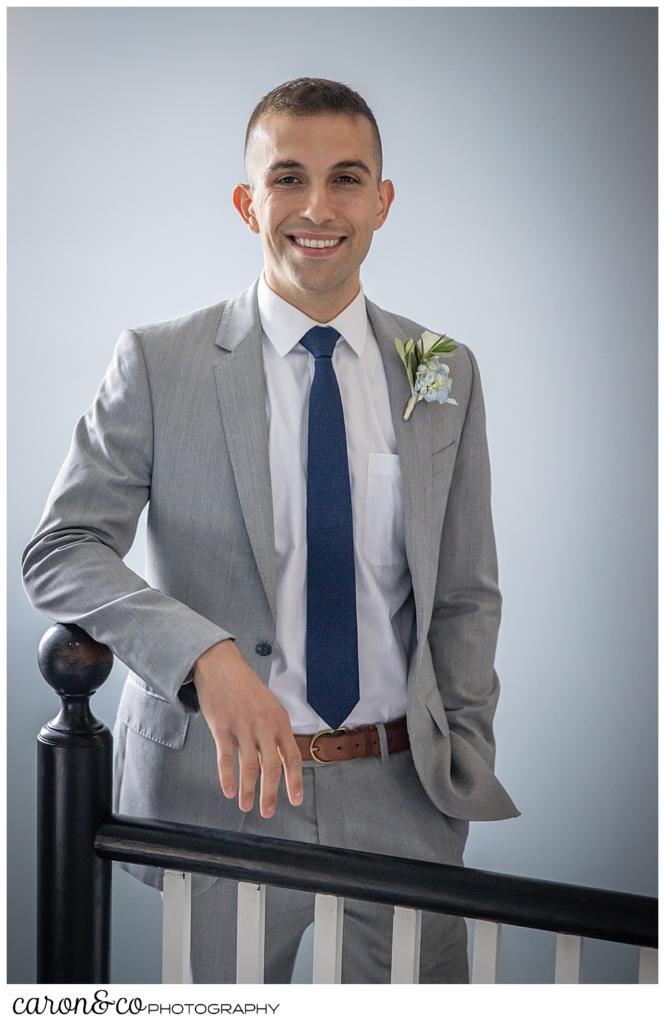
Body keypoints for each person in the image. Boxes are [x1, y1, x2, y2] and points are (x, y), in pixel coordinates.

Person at [21, 77, 520, 984]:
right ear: (249, 201)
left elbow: (463, 590)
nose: (317, 207)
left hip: (402, 788)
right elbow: (60, 550)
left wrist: (459, 757)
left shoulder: (437, 368)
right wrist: (204, 659)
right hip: (224, 789)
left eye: (345, 178)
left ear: (382, 200)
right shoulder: (160, 359)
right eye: (288, 178)